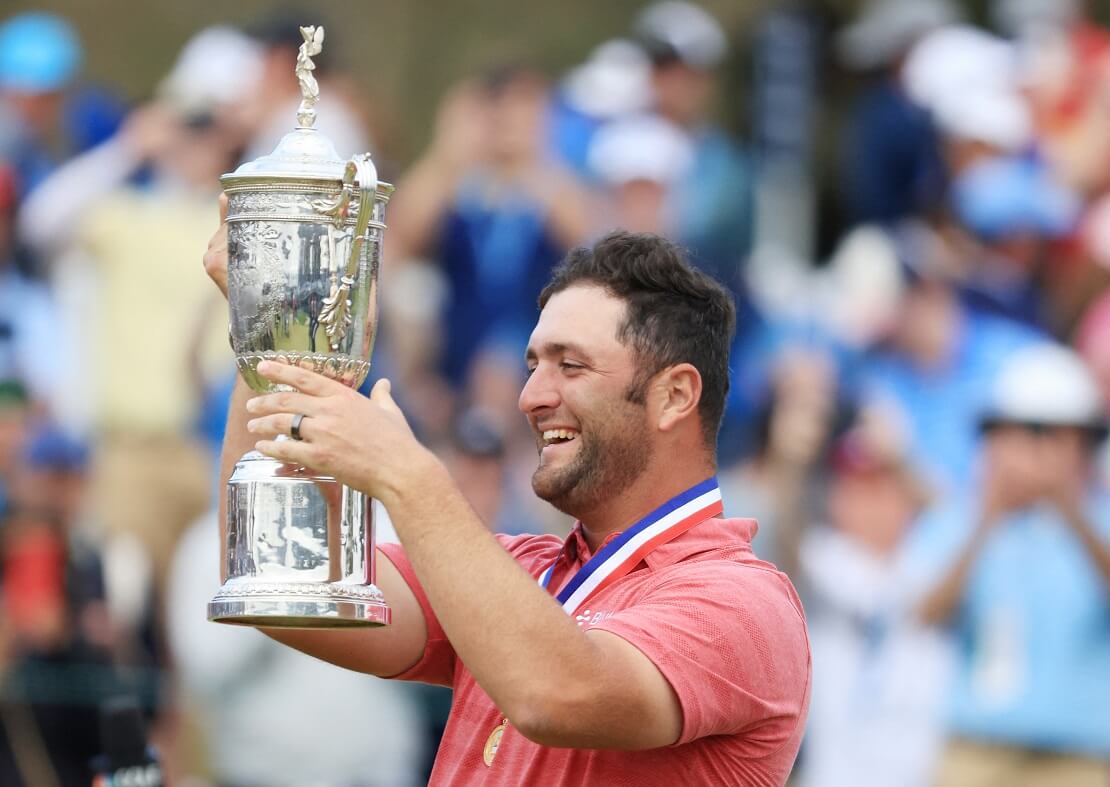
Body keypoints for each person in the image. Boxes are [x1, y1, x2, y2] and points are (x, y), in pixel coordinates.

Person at [203, 226, 811, 784]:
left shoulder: (742, 603)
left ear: (675, 394)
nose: (530, 396)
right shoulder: (522, 568)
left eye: (570, 365)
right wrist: (270, 333)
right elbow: (276, 576)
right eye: (533, 365)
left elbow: (555, 692)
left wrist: (408, 475)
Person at [913, 343, 1110, 786]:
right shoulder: (960, 519)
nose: (1031, 448)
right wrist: (987, 519)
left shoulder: (1101, 520)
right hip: (975, 750)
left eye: (1049, 434)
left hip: (1077, 760)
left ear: (1084, 443)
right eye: (1017, 431)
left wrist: (1068, 506)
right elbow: (925, 612)